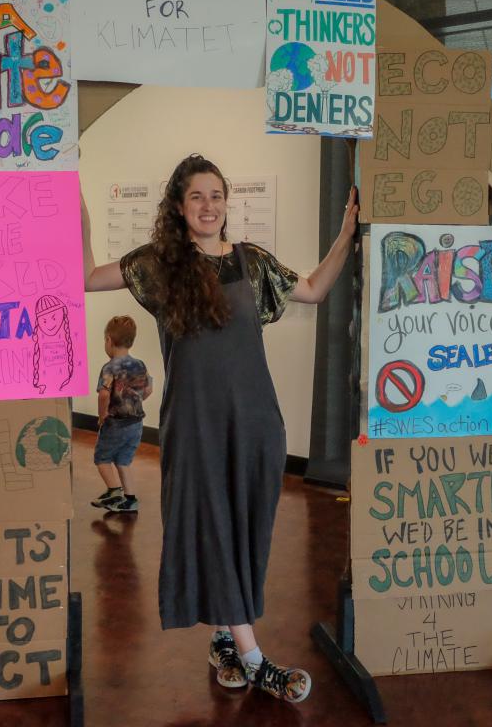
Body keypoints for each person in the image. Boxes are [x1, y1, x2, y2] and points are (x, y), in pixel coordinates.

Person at [81, 154, 357, 704]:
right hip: (196, 424)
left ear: (226, 202)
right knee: (211, 524)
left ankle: (225, 640)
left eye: (216, 195)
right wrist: (78, 208)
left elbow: (313, 289)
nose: (208, 206)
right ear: (180, 208)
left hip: (257, 421)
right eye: (196, 198)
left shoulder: (251, 263)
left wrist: (347, 232)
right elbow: (86, 279)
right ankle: (255, 659)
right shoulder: (160, 264)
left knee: (245, 532)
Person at [91, 315, 153, 513]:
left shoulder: (109, 368)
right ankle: (130, 499)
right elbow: (149, 389)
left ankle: (114, 491)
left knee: (102, 458)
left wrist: (102, 416)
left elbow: (103, 395)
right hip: (136, 424)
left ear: (109, 340)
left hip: (116, 423)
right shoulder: (140, 365)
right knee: (123, 461)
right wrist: (135, 401)